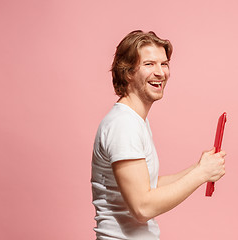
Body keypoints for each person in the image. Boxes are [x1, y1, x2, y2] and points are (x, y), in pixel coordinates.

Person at [91, 30, 226, 240]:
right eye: (149, 64)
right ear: (128, 72)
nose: (160, 72)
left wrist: (200, 168)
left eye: (164, 64)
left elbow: (147, 186)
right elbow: (142, 207)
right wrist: (201, 174)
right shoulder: (124, 125)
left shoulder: (135, 120)